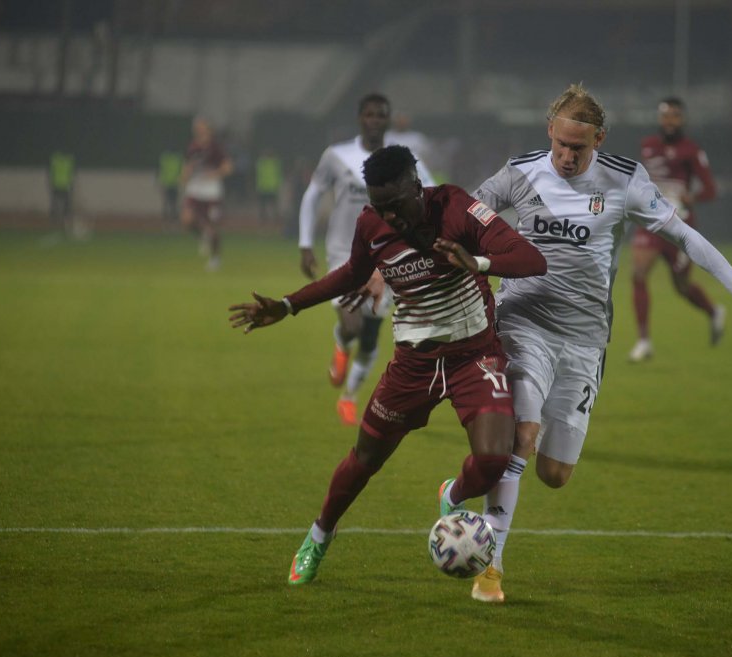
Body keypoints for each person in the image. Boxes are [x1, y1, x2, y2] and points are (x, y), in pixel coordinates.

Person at [471, 83, 732, 603]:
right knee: (522, 435)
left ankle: (461, 489)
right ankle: (490, 567)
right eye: (562, 144)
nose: (568, 157)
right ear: (550, 130)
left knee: (555, 472)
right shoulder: (520, 170)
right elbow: (466, 214)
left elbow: (683, 236)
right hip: (522, 321)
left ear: (600, 138)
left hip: (586, 338)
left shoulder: (623, 178)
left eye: (580, 147)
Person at [229, 145, 547, 586]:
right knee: (365, 458)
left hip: (474, 355)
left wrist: (476, 261)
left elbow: (533, 259)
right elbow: (352, 273)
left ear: (417, 186)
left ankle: (452, 494)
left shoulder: (456, 207)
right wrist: (289, 304)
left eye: (396, 206)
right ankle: (320, 534)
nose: (390, 218)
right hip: (413, 365)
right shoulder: (371, 224)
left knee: (494, 460)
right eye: (381, 207)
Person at [298, 93, 434, 426]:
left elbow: (432, 192)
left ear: (388, 120)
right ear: (360, 118)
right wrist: (305, 243)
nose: (375, 120)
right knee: (352, 323)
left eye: (381, 115)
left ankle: (350, 396)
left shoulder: (404, 159)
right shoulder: (337, 155)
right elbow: (313, 194)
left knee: (372, 336)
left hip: (389, 259)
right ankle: (342, 343)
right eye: (369, 114)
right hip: (345, 252)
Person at [629, 97, 722, 362]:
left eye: (675, 116)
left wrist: (693, 197)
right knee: (638, 274)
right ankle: (643, 341)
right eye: (665, 116)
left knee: (682, 287)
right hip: (650, 222)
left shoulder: (691, 150)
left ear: (682, 119)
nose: (669, 121)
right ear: (660, 119)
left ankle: (713, 312)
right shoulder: (647, 146)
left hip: (679, 225)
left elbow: (710, 189)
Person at [180, 116, 233, 272]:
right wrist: (184, 176)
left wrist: (215, 173)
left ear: (208, 129)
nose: (199, 130)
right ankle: (202, 236)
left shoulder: (215, 148)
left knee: (212, 228)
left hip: (211, 192)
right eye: (197, 127)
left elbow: (228, 167)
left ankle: (215, 258)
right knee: (186, 219)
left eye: (202, 127)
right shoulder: (192, 147)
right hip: (195, 189)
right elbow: (188, 166)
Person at [48, 150, 76, 233]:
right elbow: (72, 173)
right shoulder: (69, 160)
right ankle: (64, 221)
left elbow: (51, 171)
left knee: (58, 203)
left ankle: (57, 220)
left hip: (58, 185)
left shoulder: (55, 159)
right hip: (64, 186)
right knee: (64, 204)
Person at [255, 149, 283, 221]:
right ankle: (264, 218)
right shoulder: (262, 162)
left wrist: (278, 184)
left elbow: (279, 174)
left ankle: (275, 217)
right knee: (263, 205)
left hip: (271, 187)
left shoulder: (274, 162)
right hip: (264, 187)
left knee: (273, 204)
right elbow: (258, 175)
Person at [158, 150, 183, 223]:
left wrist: (161, 181)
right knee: (172, 201)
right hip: (173, 183)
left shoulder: (164, 158)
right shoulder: (178, 158)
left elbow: (161, 170)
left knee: (168, 200)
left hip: (169, 183)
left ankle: (168, 216)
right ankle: (172, 215)